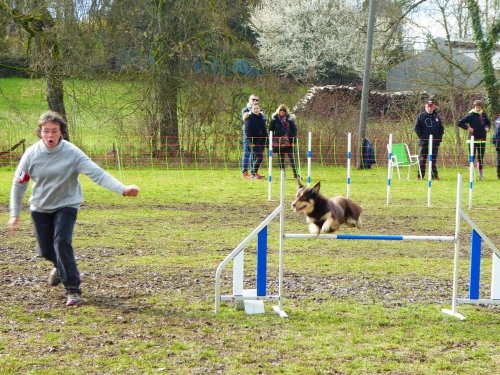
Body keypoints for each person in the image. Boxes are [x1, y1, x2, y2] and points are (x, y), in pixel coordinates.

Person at [8, 111, 140, 306]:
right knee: (45, 250)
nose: (50, 135)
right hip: (40, 207)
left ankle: (73, 291)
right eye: (46, 131)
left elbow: (97, 174)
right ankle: (61, 269)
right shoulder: (31, 155)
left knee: (61, 243)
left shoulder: (72, 153)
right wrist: (14, 214)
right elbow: (19, 184)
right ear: (40, 133)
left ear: (61, 132)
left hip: (66, 204)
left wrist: (123, 189)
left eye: (54, 131)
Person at [457, 99, 491, 180]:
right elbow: (460, 122)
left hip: (482, 139)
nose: (478, 108)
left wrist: (487, 127)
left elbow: (488, 123)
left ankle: (481, 175)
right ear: (474, 107)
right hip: (472, 139)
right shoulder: (471, 115)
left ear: (481, 107)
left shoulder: (484, 114)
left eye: (479, 107)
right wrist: (468, 127)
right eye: (476, 107)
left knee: (480, 157)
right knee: (472, 156)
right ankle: (471, 174)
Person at [414, 99, 444, 180]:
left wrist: (439, 139)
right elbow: (416, 128)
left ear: (433, 107)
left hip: (434, 143)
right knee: (422, 159)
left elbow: (441, 129)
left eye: (431, 106)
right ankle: (420, 176)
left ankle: (434, 176)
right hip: (424, 142)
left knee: (433, 160)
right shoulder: (421, 116)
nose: (430, 108)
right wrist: (422, 137)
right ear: (425, 106)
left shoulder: (437, 117)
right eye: (428, 106)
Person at [269, 104, 299, 179]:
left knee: (291, 156)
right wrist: (272, 139)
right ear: (278, 111)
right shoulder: (274, 119)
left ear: (286, 111)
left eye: (284, 110)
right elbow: (270, 130)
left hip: (288, 140)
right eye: (280, 110)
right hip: (278, 141)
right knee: (281, 157)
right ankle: (282, 173)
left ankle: (295, 174)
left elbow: (294, 130)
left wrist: (289, 137)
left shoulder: (290, 119)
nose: (282, 111)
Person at [241, 94, 265, 179]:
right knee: (247, 153)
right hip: (248, 136)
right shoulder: (245, 110)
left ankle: (254, 172)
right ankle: (245, 172)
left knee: (255, 155)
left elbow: (263, 121)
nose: (255, 101)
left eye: (257, 100)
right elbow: (246, 122)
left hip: (258, 137)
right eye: (253, 99)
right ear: (249, 100)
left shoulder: (261, 110)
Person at [492, 114, 500, 179]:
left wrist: (494, 140)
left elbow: (495, 132)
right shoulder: (498, 121)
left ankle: (499, 174)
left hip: (498, 142)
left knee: (499, 159)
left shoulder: (497, 120)